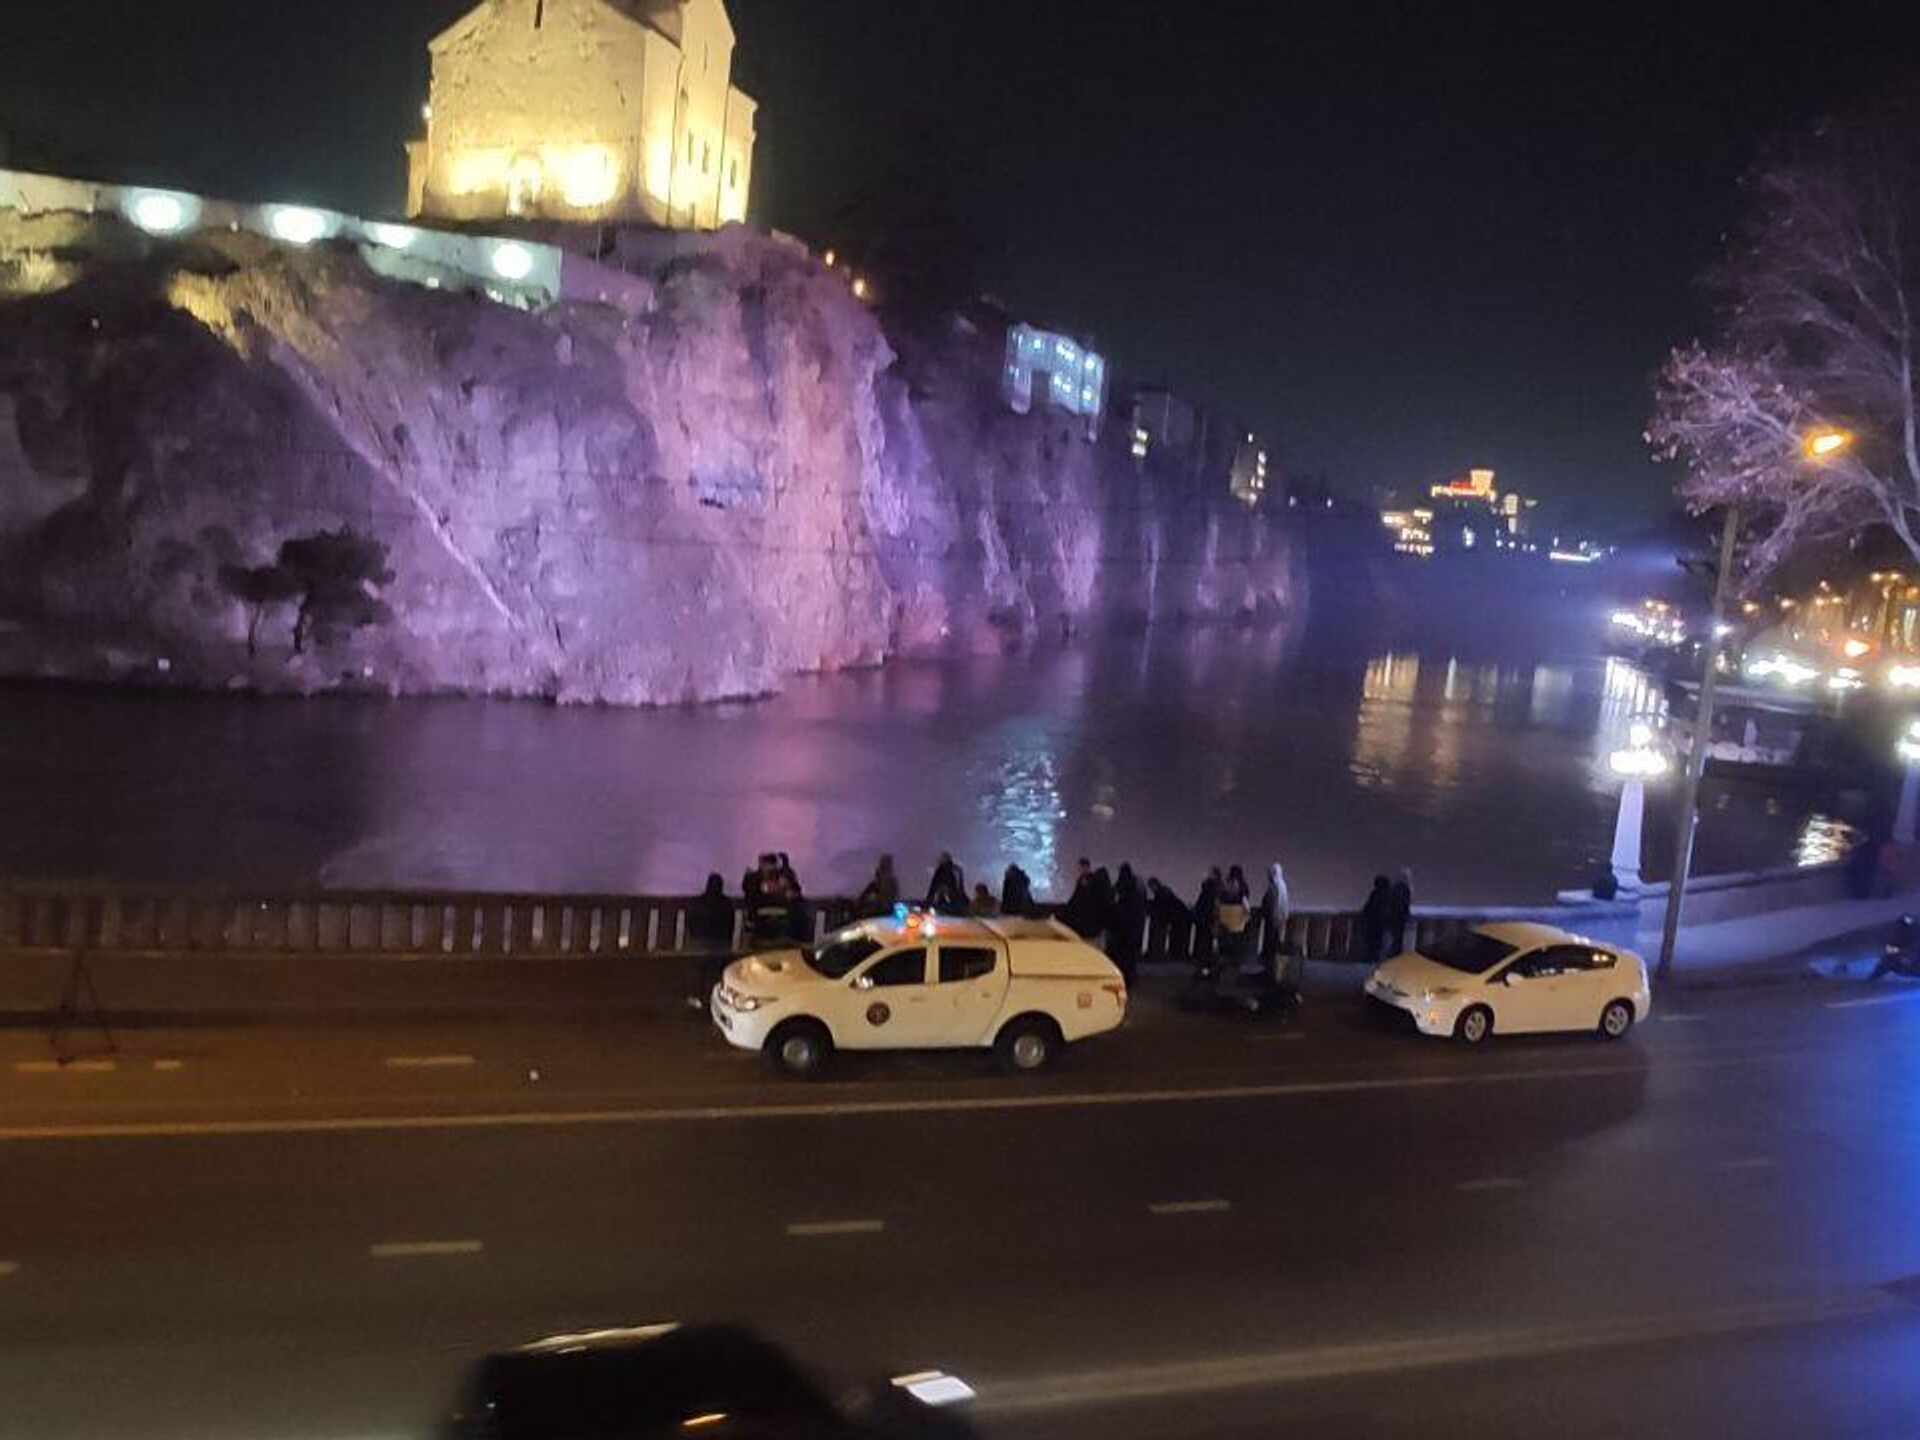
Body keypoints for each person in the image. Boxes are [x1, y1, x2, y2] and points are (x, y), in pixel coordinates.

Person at [685, 873, 737, 1008]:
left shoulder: (698, 902)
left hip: (701, 942)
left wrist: (694, 935)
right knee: (720, 974)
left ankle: (696, 998)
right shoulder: (727, 903)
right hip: (721, 943)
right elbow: (731, 925)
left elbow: (691, 922)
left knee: (699, 971)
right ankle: (719, 1000)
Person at [1110, 863, 1147, 984]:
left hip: (1123, 928)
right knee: (1131, 956)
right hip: (1136, 927)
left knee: (1122, 955)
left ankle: (1124, 978)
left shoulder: (1122, 885)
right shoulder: (1138, 886)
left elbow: (1116, 903)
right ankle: (1131, 978)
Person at [1217, 864, 1254, 965]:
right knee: (1236, 940)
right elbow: (1245, 902)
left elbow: (1220, 900)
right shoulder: (1243, 886)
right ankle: (1234, 960)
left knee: (1225, 939)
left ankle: (1223, 959)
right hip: (1238, 919)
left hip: (1225, 916)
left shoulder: (1226, 885)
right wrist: (1247, 915)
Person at [1147, 878, 1191, 963]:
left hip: (1178, 917)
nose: (1151, 889)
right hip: (1179, 916)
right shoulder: (1164, 892)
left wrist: (1168, 922)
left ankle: (1175, 956)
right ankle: (1176, 955)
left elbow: (1166, 908)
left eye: (1151, 887)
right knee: (1177, 937)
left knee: (1176, 937)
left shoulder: (1162, 894)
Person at [1260, 861, 1291, 973]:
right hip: (1277, 920)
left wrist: (1266, 913)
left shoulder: (1275, 886)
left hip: (1273, 919)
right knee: (1274, 943)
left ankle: (1270, 969)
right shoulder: (1282, 885)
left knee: (1271, 944)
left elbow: (1272, 904)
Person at [1062, 858, 1102, 939]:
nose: (1079, 870)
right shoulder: (1081, 879)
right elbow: (1076, 894)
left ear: (1086, 867)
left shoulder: (1093, 878)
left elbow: (1095, 895)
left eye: (1080, 867)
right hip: (1080, 911)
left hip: (1089, 912)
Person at [1359, 874, 1393, 965]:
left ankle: (1372, 958)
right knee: (1377, 943)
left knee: (1373, 943)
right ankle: (1374, 958)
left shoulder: (1377, 894)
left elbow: (1369, 908)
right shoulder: (1387, 894)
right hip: (1379, 924)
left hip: (1375, 923)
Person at [1191, 869, 1221, 968]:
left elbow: (1203, 905)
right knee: (1207, 943)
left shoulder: (1207, 892)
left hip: (1204, 920)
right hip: (1208, 920)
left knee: (1202, 942)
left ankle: (1202, 962)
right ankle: (1206, 962)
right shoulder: (1216, 891)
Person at [1387, 867, 1414, 958]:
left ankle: (1394, 953)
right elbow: (1405, 903)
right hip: (1399, 916)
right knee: (1398, 936)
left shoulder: (1394, 888)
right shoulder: (1404, 888)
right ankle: (1396, 953)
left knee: (1396, 936)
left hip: (1394, 915)